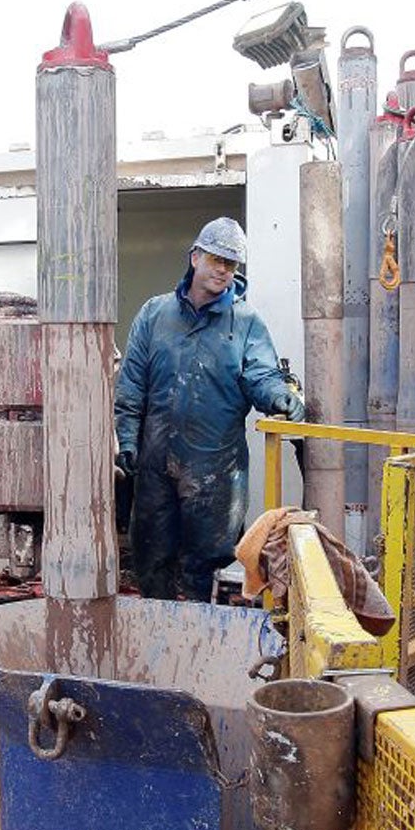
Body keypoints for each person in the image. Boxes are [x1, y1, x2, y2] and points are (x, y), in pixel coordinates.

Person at [114, 217, 307, 602]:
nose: (222, 269)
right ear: (195, 257)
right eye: (216, 259)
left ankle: (200, 646)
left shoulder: (246, 322)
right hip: (155, 468)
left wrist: (278, 396)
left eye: (231, 264)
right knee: (151, 559)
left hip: (216, 473)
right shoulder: (154, 315)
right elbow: (132, 385)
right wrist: (127, 440)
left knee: (205, 569)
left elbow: (261, 375)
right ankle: (156, 644)